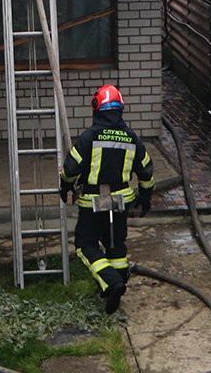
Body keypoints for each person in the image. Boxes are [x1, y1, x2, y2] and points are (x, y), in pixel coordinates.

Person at [60, 84, 155, 314]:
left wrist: (65, 186)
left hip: (93, 202)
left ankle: (112, 283)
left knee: (85, 245)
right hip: (121, 201)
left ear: (96, 107)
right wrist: (146, 197)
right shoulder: (132, 138)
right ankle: (118, 283)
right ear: (120, 108)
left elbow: (70, 168)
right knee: (116, 245)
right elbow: (146, 171)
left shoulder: (88, 137)